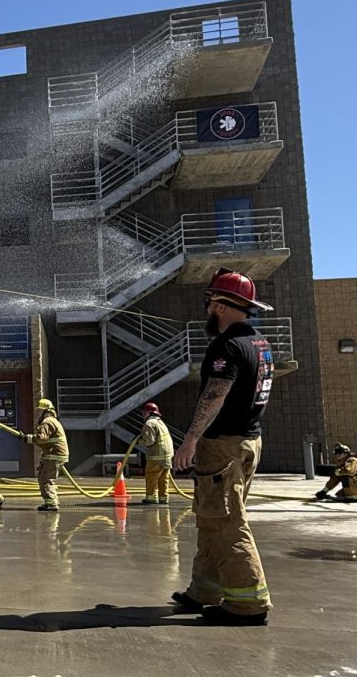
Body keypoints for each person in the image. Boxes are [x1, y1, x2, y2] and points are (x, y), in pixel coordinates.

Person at [171, 268, 276, 625]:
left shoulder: (226, 346)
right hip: (247, 441)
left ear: (219, 305)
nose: (206, 311)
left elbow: (215, 394)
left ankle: (248, 604)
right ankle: (203, 591)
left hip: (224, 446)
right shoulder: (259, 344)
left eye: (209, 304)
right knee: (212, 517)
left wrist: (190, 440)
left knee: (227, 523)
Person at [23, 398, 67, 512]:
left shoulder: (47, 422)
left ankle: (51, 504)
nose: (37, 413)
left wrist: (26, 438)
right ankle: (52, 501)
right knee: (47, 478)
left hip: (53, 455)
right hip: (55, 454)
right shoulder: (53, 421)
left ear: (45, 411)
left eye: (39, 411)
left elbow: (40, 438)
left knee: (45, 479)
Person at [139, 401, 174, 505]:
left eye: (144, 412)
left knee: (151, 476)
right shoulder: (160, 422)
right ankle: (164, 498)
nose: (143, 414)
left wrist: (139, 441)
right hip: (167, 456)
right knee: (164, 479)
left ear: (148, 413)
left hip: (156, 457)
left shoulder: (149, 423)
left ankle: (151, 498)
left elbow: (149, 441)